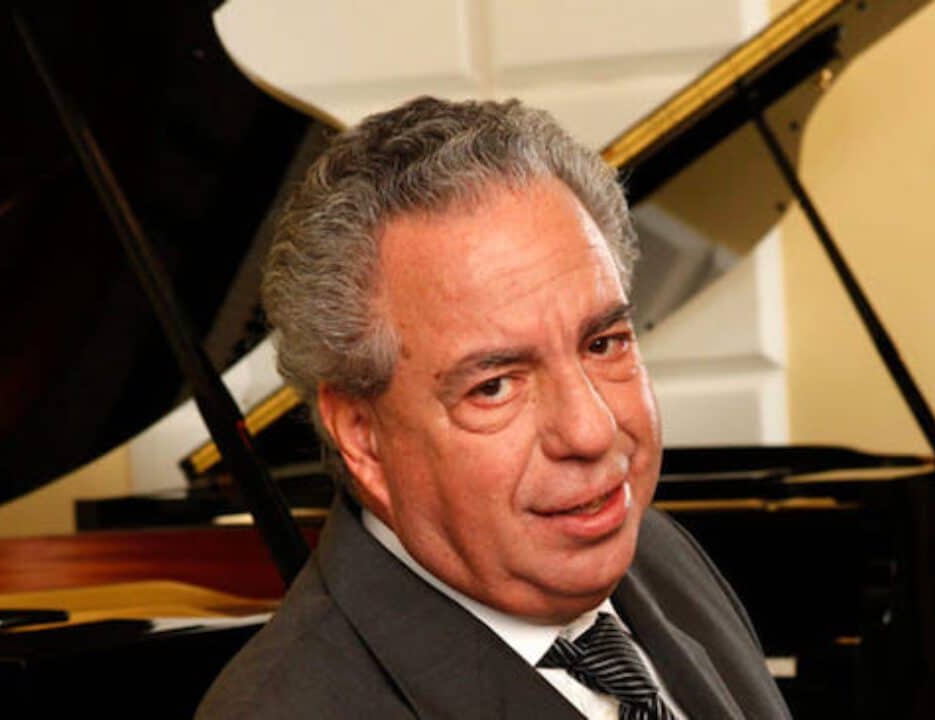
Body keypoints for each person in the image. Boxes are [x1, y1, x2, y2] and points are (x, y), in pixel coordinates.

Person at [196, 96, 791, 719]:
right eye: (495, 386)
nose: (591, 431)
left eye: (603, 344)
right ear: (363, 435)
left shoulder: (659, 553)